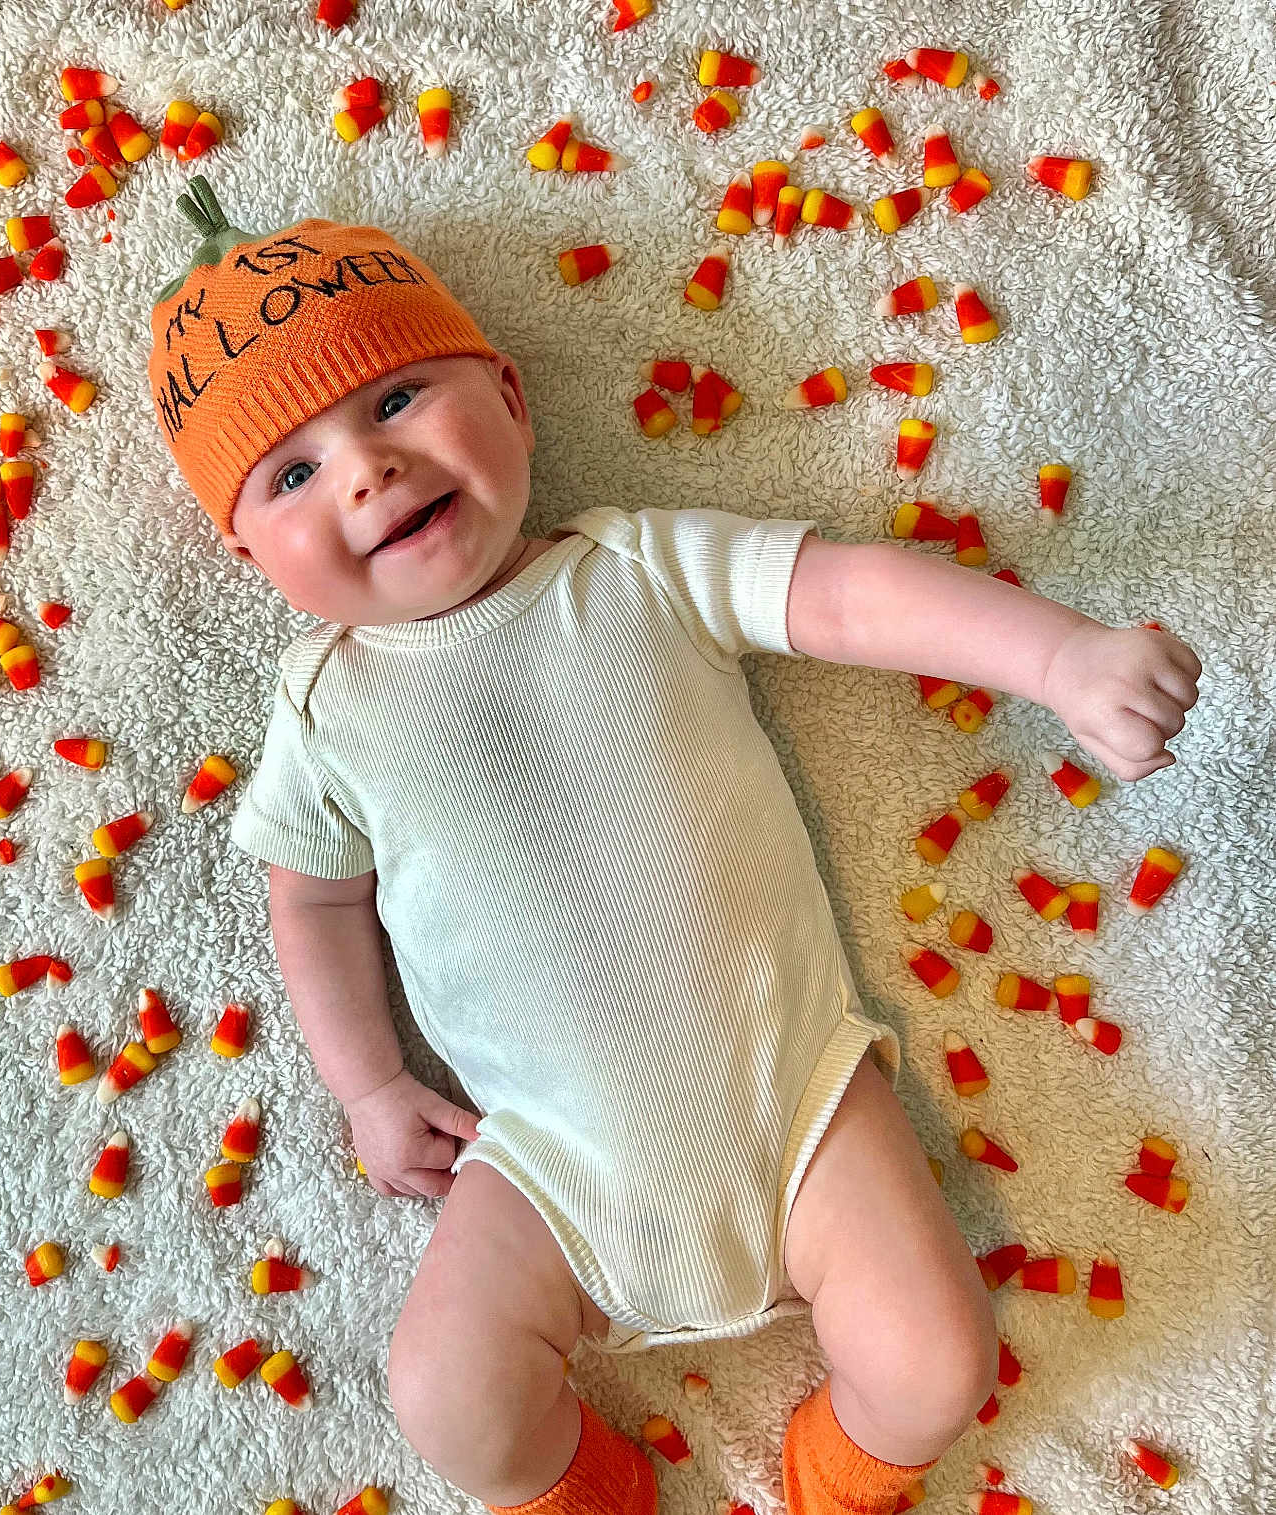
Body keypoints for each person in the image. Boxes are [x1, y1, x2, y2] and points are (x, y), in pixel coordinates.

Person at [147, 177, 1202, 1515]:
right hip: (548, 1166)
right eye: (295, 474)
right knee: (445, 1396)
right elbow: (311, 903)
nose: (367, 468)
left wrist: (1059, 656)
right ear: (251, 556)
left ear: (513, 400)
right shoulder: (323, 708)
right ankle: (586, 1491)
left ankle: (840, 1474)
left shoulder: (636, 568)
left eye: (398, 399)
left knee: (937, 1360)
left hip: (795, 1101)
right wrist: (366, 1086)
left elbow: (848, 595)